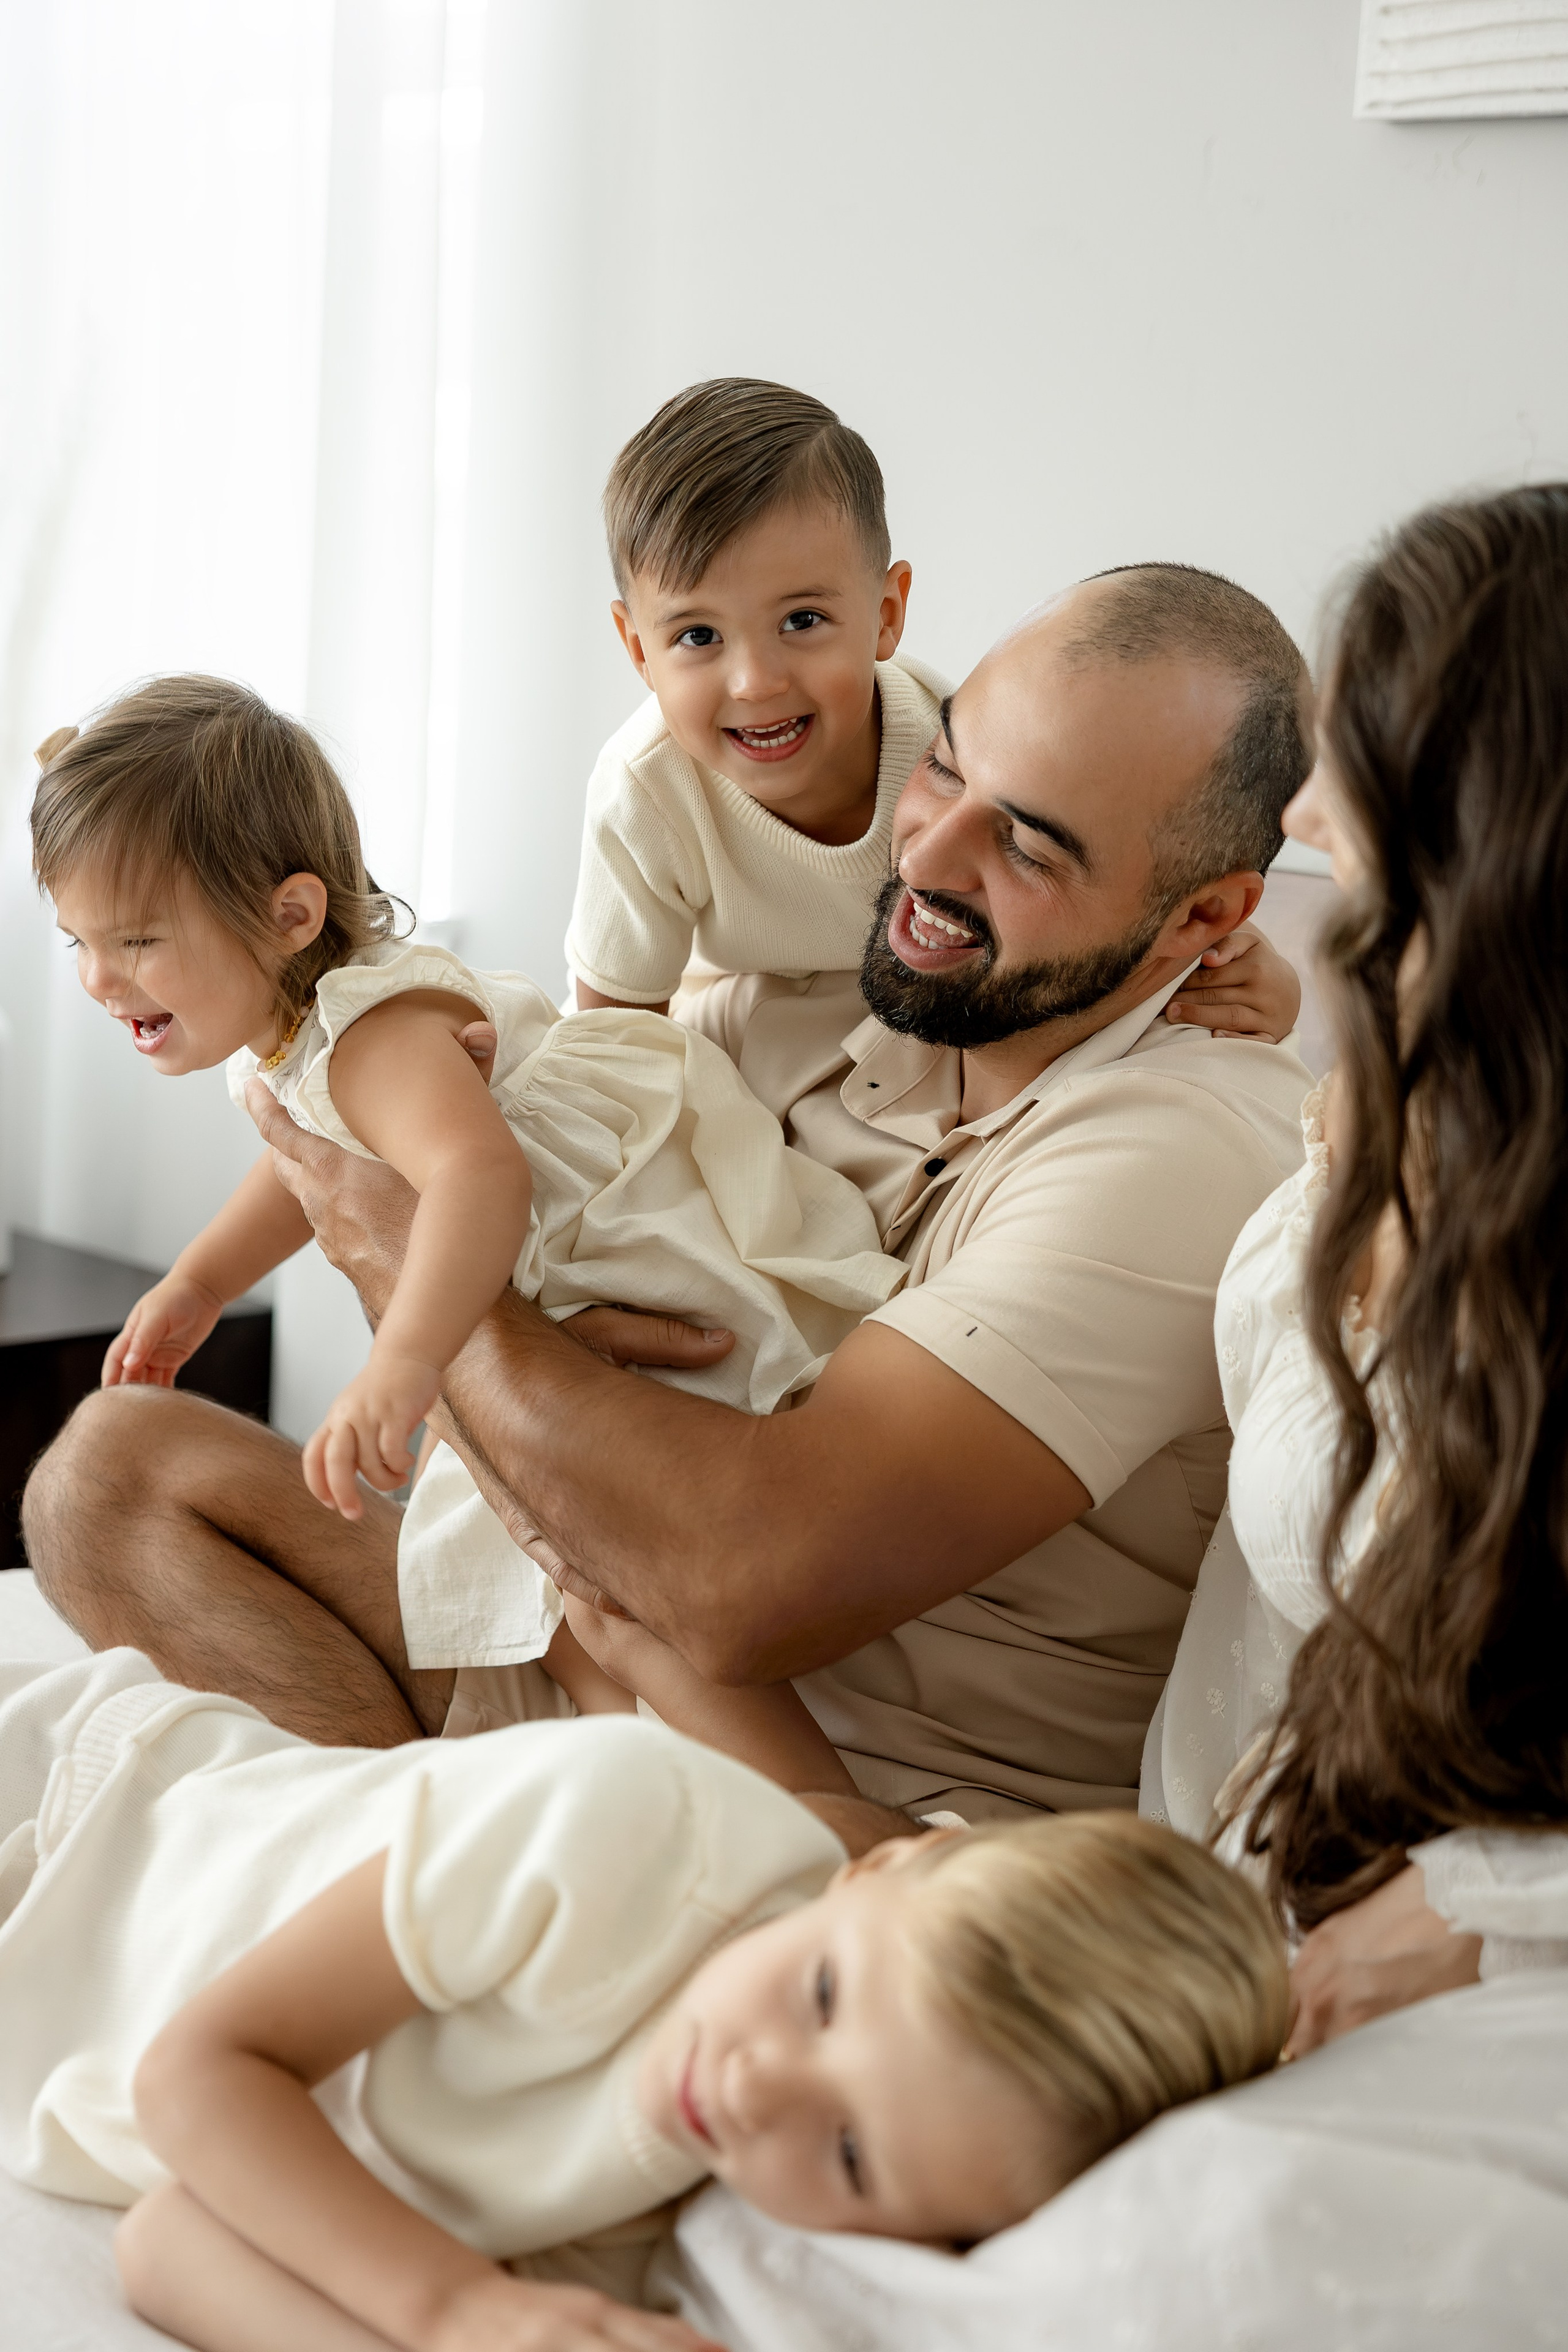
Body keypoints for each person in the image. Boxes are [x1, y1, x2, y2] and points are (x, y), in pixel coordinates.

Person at [27, 562, 1316, 1831]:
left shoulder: (1177, 1147)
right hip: (590, 1640)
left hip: (867, 1806)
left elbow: (740, 1584)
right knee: (105, 1475)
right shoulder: (806, 1001)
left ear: (1202, 917)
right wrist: (541, 1369)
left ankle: (442, 1874)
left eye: (1025, 844)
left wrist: (424, 1288)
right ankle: (415, 1865)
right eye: (941, 766)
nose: (927, 850)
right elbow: (518, 1193)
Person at [30, 676, 910, 1780]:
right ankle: (636, 1763)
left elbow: (478, 1177)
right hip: (557, 1302)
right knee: (565, 1599)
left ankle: (806, 1804)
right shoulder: (299, 1029)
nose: (99, 979)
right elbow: (305, 1164)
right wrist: (201, 1282)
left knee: (608, 1595)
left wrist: (404, 1362)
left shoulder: (371, 1034)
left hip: (643, 1282)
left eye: (137, 940)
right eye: (76, 941)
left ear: (291, 916)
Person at [0, 1651, 1286, 2352]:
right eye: (825, 1996)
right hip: (70, 1822)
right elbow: (198, 2078)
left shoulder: (672, 2200)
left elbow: (170, 2243)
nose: (757, 2089)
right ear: (880, 1865)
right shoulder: (634, 1825)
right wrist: (465, 2310)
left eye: (852, 2154)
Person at [1147, 485, 1568, 2051]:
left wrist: (1472, 1905)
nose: (1300, 816)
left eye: (1358, 759)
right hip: (1239, 1927)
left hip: (1463, 2001)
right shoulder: (1380, 1120)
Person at [567, 375, 1293, 1047]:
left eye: (802, 621)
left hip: (910, 1011)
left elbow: (1126, 897)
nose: (755, 682)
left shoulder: (948, 752)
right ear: (639, 651)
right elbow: (613, 1032)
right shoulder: (646, 791)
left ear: (886, 614)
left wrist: (1254, 974)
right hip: (732, 1012)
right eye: (698, 636)